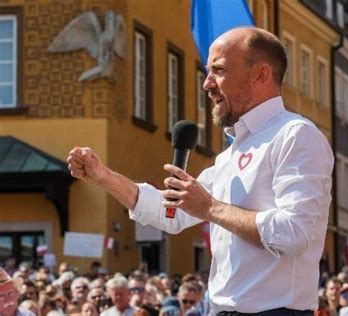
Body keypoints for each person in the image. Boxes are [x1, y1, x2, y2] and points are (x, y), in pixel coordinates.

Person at [67, 26, 333, 315]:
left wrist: (209, 208)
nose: (207, 84)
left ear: (261, 74)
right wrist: (105, 177)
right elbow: (171, 214)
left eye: (218, 70)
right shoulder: (230, 155)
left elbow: (294, 234)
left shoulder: (295, 135)